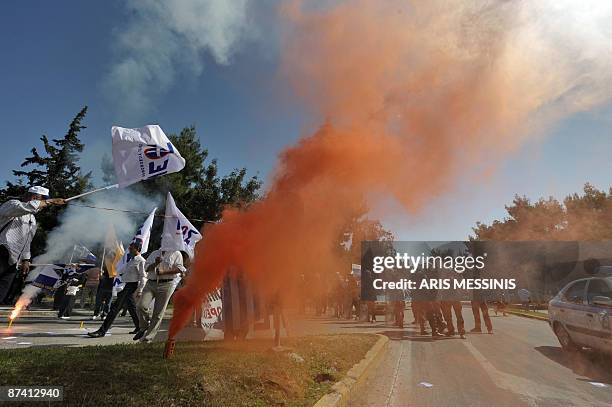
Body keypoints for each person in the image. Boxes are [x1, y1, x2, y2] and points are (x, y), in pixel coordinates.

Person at [0, 186, 64, 303]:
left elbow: (27, 241)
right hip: (2, 251)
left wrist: (26, 259)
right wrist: (50, 201)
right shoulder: (12, 204)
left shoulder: (32, 219)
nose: (45, 205)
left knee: (2, 292)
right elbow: (24, 208)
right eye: (42, 199)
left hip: (13, 261)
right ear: (34, 197)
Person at [88, 243, 146, 337]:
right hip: (126, 284)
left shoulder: (141, 261)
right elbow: (122, 271)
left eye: (131, 248)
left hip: (131, 285)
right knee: (132, 308)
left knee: (115, 308)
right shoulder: (131, 260)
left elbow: (143, 276)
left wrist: (140, 290)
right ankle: (139, 327)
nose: (129, 250)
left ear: (137, 249)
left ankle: (102, 331)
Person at [133, 248, 186, 342]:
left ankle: (148, 338)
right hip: (151, 283)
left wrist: (164, 272)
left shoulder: (176, 253)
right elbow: (146, 268)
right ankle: (144, 326)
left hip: (166, 284)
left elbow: (180, 269)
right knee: (141, 306)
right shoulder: (154, 253)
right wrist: (155, 264)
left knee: (158, 313)